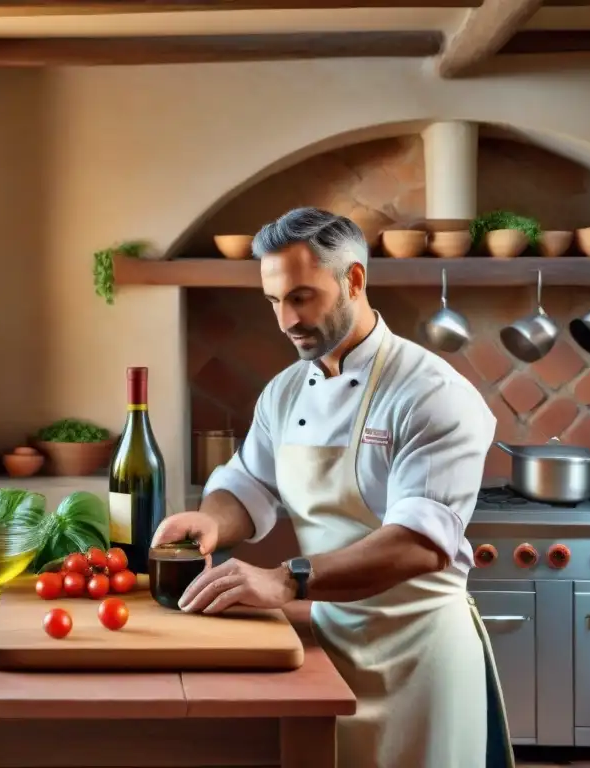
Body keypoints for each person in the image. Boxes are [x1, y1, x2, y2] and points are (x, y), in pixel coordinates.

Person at [153, 208, 514, 768]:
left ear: (353, 280)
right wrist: (212, 522)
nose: (286, 320)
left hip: (418, 655)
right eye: (274, 301)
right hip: (326, 640)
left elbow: (418, 543)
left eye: (301, 296)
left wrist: (289, 579)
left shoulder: (433, 394)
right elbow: (248, 482)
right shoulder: (285, 391)